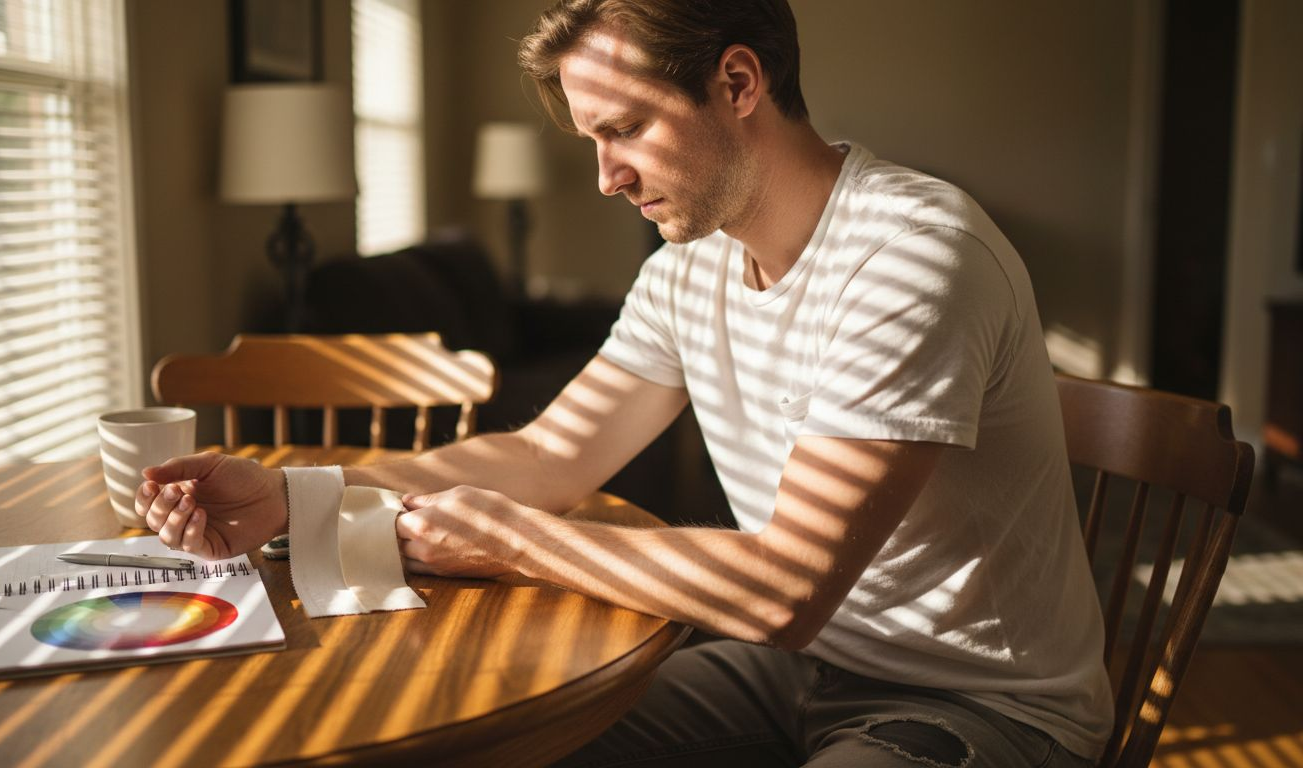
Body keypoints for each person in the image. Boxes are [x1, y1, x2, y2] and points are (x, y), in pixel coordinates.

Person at [136, 0, 1113, 764]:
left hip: (982, 706)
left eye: (627, 129)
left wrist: (513, 541)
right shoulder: (690, 270)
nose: (606, 176)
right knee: (475, 744)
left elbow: (787, 589)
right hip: (799, 673)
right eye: (591, 141)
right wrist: (299, 500)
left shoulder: (911, 257)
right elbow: (547, 451)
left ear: (737, 81)